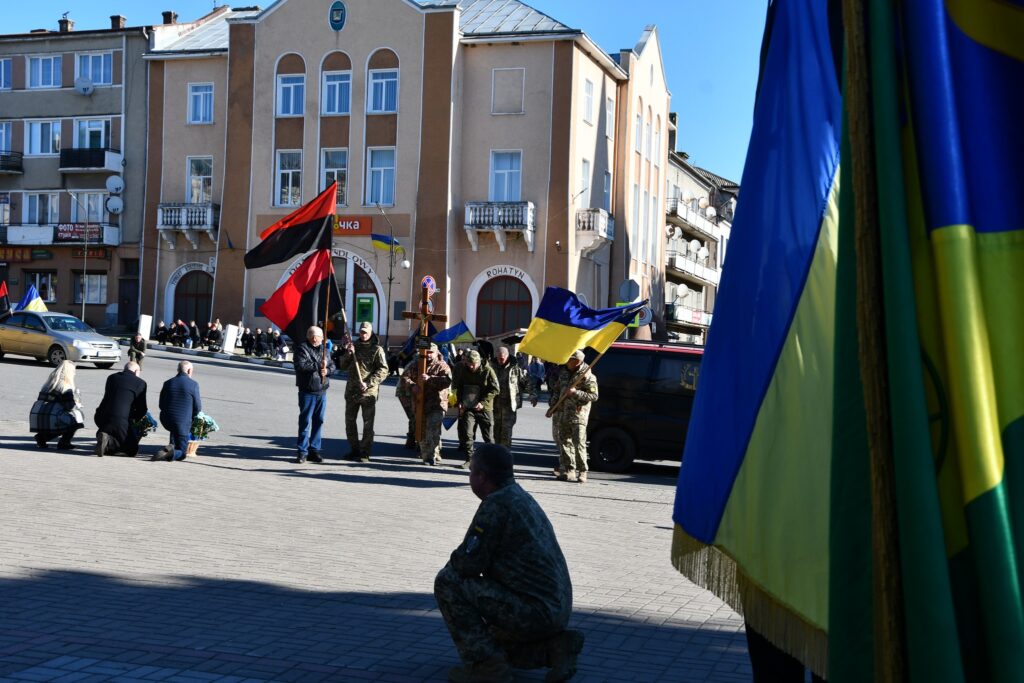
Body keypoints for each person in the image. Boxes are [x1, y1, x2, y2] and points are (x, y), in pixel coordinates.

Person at [434, 444, 582, 683]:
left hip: (534, 610)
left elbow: (467, 564)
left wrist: (455, 562)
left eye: (471, 471)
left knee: (447, 582)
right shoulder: (519, 496)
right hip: (553, 608)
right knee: (492, 638)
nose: (470, 476)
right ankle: (555, 648)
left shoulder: (496, 505)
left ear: (482, 477)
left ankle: (488, 670)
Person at [336, 321, 389, 462]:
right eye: (361, 332)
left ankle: (365, 452)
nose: (363, 334)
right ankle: (354, 449)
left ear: (371, 332)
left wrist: (368, 383)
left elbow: (383, 371)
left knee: (367, 424)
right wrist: (348, 353)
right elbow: (342, 366)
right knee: (350, 422)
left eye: (366, 332)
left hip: (368, 393)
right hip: (352, 392)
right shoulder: (354, 346)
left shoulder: (377, 349)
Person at [548, 350, 599, 483]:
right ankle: (570, 471)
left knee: (579, 444)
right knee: (565, 443)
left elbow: (594, 396)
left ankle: (582, 472)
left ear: (577, 362)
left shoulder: (587, 375)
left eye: (570, 360)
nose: (567, 361)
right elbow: (557, 390)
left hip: (578, 415)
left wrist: (576, 393)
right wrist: (552, 406)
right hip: (564, 413)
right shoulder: (564, 372)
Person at [400, 343, 452, 465]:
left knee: (432, 429)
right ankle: (426, 455)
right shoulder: (416, 365)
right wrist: (412, 386)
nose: (428, 355)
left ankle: (431, 456)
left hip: (436, 404)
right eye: (426, 353)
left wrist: (430, 379)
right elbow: (404, 378)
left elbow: (447, 381)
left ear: (435, 353)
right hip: (419, 403)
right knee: (421, 431)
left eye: (430, 353)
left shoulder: (442, 366)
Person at [293, 325, 335, 464]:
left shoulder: (325, 350)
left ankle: (314, 450)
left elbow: (333, 366)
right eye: (317, 336)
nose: (320, 338)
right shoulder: (302, 348)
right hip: (307, 391)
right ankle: (302, 452)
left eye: (321, 336)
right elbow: (301, 366)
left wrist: (327, 371)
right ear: (312, 337)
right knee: (305, 422)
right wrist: (319, 366)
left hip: (321, 390)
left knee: (319, 421)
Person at [452, 349, 499, 468]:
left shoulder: (488, 371)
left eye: (474, 364)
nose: (472, 366)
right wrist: (460, 402)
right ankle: (470, 460)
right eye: (469, 364)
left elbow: (495, 389)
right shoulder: (463, 370)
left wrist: (483, 402)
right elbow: (458, 387)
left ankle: (492, 462)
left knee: (488, 437)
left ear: (479, 362)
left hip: (485, 408)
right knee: (467, 434)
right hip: (469, 407)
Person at [94, 361, 148, 457]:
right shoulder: (141, 383)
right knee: (132, 450)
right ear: (136, 371)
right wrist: (133, 419)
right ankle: (108, 442)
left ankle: (105, 437)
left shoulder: (112, 378)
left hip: (101, 416)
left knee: (115, 430)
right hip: (122, 420)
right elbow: (142, 409)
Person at [29, 360, 84, 450]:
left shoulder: (48, 384)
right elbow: (69, 406)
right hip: (51, 418)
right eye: (74, 371)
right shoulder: (66, 386)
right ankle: (64, 442)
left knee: (60, 419)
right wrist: (77, 404)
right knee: (76, 419)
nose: (74, 374)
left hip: (40, 416)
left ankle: (42, 437)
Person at [154, 361, 202, 462]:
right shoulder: (193, 384)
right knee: (182, 454)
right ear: (189, 370)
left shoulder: (168, 383)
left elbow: (161, 404)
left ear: (178, 370)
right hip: (182, 423)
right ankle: (169, 453)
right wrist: (191, 418)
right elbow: (197, 407)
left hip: (167, 420)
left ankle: (170, 447)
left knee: (175, 427)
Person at [492, 346, 538, 450]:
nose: (500, 360)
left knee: (506, 433)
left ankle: (504, 456)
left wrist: (533, 395)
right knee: (496, 433)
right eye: (498, 358)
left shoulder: (516, 368)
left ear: (507, 356)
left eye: (502, 358)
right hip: (495, 406)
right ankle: (496, 454)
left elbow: (527, 381)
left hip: (509, 406)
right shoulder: (491, 366)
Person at [395, 356, 420, 450]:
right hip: (404, 393)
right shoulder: (414, 364)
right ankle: (416, 442)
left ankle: (411, 441)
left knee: (415, 416)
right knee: (414, 416)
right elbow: (404, 379)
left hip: (410, 392)